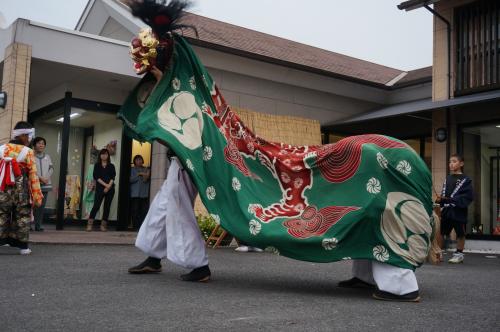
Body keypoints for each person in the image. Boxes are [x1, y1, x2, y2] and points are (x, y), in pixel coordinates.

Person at [128, 152, 211, 282]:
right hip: (179, 159)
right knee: (161, 207)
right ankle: (154, 258)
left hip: (187, 156)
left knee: (179, 209)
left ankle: (200, 266)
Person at [0, 121, 43, 255]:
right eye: (28, 135)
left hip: (3, 188)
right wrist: (37, 196)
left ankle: (3, 240)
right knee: (22, 216)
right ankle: (23, 247)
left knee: (1, 214)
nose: (29, 139)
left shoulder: (1, 148)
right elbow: (33, 175)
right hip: (21, 189)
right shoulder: (28, 152)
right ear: (23, 135)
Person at [436, 154, 473, 264]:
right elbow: (445, 194)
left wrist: (449, 200)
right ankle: (438, 252)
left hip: (459, 211)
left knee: (460, 233)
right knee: (441, 232)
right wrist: (441, 200)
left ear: (461, 163)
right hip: (447, 210)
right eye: (449, 162)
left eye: (454, 161)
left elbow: (467, 196)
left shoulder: (466, 180)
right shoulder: (448, 178)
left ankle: (459, 254)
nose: (451, 164)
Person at [87, 149, 116, 232]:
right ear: (100, 156)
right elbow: (96, 177)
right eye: (102, 154)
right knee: (96, 206)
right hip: (100, 188)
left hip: (110, 189)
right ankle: (89, 224)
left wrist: (109, 186)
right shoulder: (97, 165)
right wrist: (106, 185)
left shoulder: (111, 166)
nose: (104, 155)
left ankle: (103, 226)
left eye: (106, 154)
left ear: (108, 155)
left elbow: (113, 177)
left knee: (107, 207)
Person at [33, 136, 53, 232]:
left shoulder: (47, 156)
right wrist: (40, 178)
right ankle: (29, 225)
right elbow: (31, 170)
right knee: (32, 205)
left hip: (46, 184)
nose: (41, 145)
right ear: (34, 145)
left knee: (41, 207)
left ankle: (38, 225)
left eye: (43, 143)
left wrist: (46, 178)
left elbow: (51, 168)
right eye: (39, 143)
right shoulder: (31, 156)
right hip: (34, 184)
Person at [130, 154, 150, 230]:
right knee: (135, 210)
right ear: (134, 161)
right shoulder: (132, 169)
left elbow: (146, 179)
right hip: (134, 194)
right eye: (137, 160)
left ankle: (142, 227)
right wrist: (138, 174)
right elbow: (130, 180)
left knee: (143, 211)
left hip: (144, 194)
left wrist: (144, 174)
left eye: (140, 159)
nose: (139, 161)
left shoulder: (146, 169)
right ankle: (135, 226)